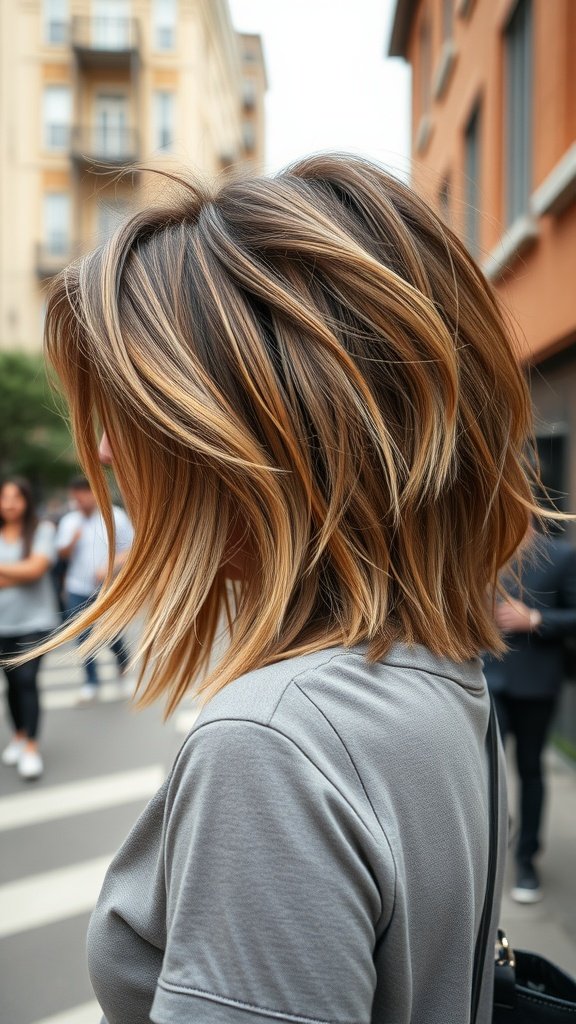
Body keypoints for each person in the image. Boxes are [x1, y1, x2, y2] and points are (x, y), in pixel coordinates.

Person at [33, 153, 560, 1023]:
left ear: (251, 435)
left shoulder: (275, 745)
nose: (113, 453)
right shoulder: (433, 668)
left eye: (137, 413)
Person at [484, 529, 576, 904]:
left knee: (530, 769)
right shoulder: (481, 546)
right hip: (487, 680)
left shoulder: (561, 554)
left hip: (537, 683)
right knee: (488, 770)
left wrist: (536, 619)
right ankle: (491, 844)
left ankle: (526, 859)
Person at [0, 477, 60, 779]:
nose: (10, 503)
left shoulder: (42, 530)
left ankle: (32, 747)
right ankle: (19, 736)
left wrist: (24, 573)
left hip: (35, 623)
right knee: (10, 685)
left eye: (16, 497)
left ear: (26, 501)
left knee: (27, 680)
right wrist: (20, 574)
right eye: (5, 497)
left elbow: (36, 569)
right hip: (2, 624)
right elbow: (26, 571)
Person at [56, 476, 133, 704]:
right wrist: (71, 542)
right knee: (83, 637)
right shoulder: (70, 521)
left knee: (111, 634)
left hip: (106, 589)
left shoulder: (115, 516)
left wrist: (110, 566)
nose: (80, 500)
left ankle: (123, 669)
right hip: (77, 588)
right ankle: (91, 681)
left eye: (84, 494)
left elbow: (131, 549)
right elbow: (60, 555)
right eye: (76, 496)